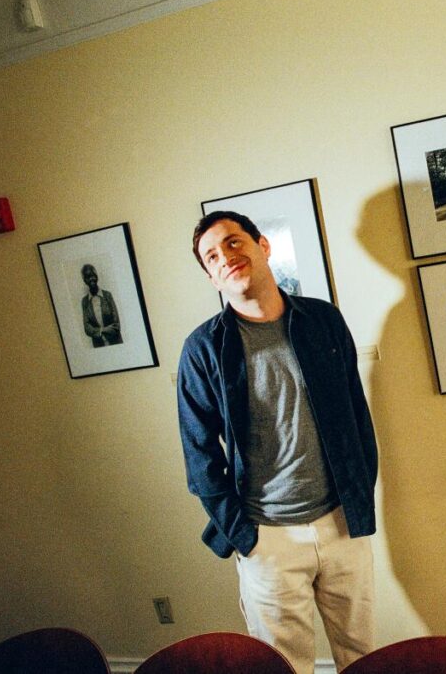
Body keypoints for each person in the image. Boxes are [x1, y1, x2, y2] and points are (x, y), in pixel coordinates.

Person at [176, 211, 378, 674]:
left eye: (232, 242)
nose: (226, 257)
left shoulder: (323, 321)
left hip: (341, 523)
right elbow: (200, 457)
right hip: (267, 538)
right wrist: (246, 538)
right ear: (210, 276)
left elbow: (356, 415)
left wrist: (360, 494)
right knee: (284, 668)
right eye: (212, 256)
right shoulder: (204, 349)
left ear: (262, 246)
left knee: (362, 658)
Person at [80, 264, 122, 347]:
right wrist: (103, 330)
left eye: (93, 275)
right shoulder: (84, 301)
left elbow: (116, 324)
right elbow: (87, 328)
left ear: (97, 277)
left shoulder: (107, 295)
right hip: (99, 346)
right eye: (88, 277)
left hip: (116, 343)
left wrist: (98, 331)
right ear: (85, 281)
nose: (91, 279)